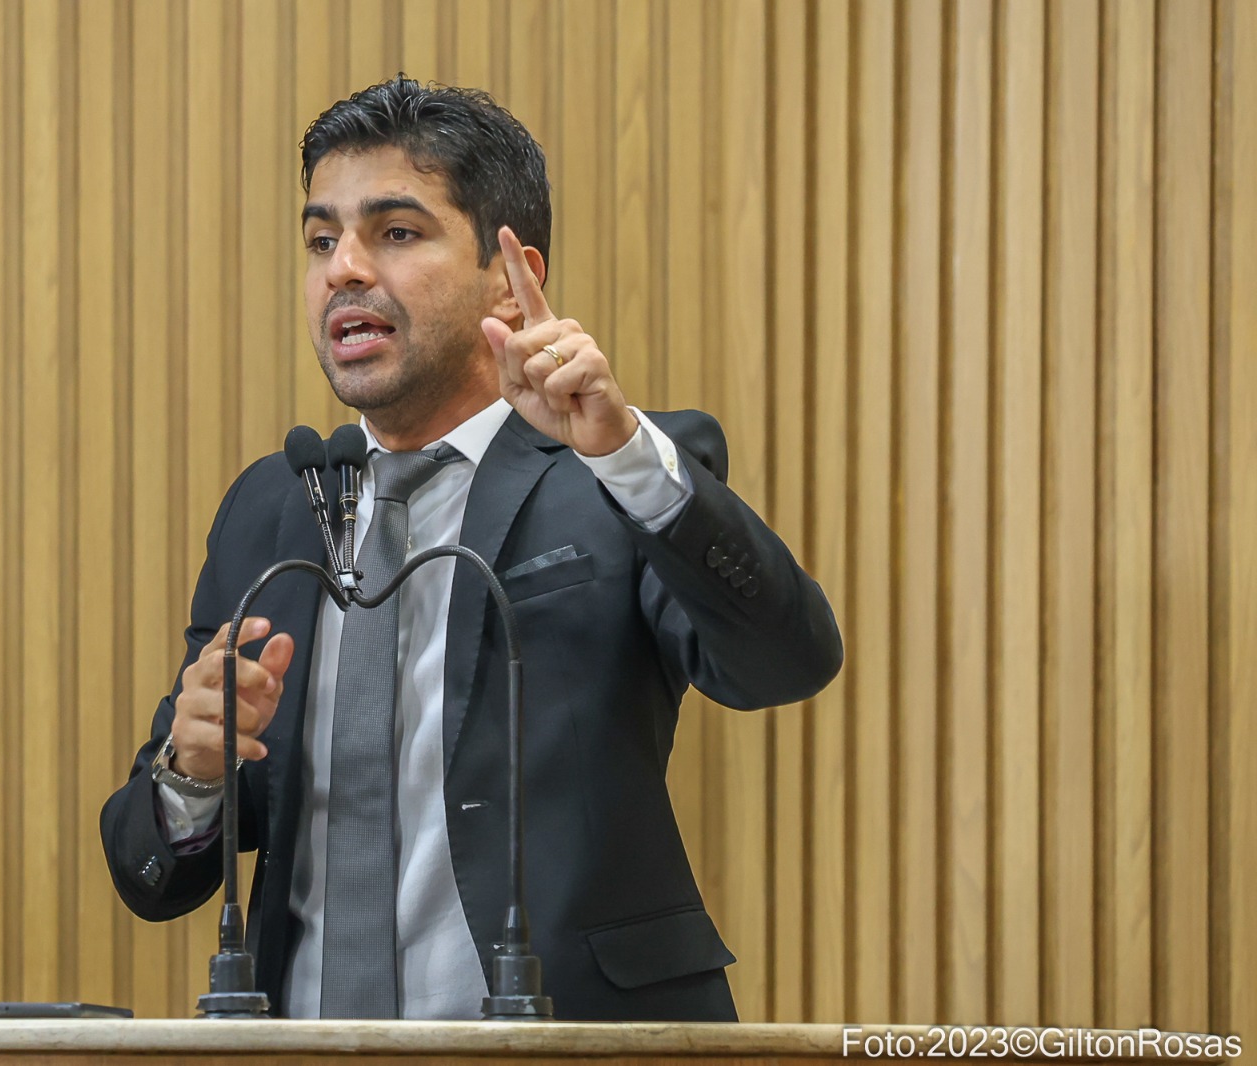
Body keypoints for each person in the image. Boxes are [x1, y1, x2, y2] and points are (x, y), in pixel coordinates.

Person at [100, 75, 842, 1022]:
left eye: (396, 234)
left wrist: (624, 455)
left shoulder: (611, 475)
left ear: (508, 273)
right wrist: (189, 774)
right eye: (322, 240)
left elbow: (785, 662)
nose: (344, 271)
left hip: (570, 1038)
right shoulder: (275, 509)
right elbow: (149, 871)